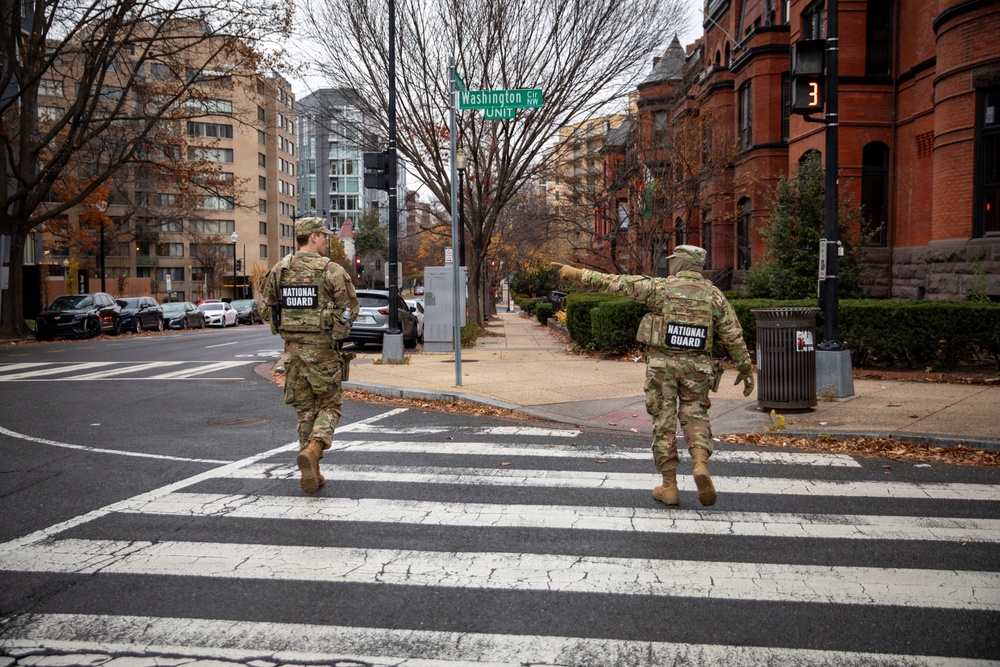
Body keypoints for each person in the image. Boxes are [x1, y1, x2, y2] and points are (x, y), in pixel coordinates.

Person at [552, 245, 753, 507]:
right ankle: (701, 464)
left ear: (681, 264)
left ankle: (669, 487)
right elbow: (733, 335)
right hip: (698, 368)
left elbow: (617, 283)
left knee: (664, 421)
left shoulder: (661, 288)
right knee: (696, 416)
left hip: (663, 367)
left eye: (673, 261)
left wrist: (576, 273)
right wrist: (745, 368)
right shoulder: (714, 296)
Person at [260, 217, 359, 495]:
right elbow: (351, 309)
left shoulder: (279, 271)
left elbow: (265, 310)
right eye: (324, 236)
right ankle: (314, 449)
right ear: (313, 236)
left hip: (292, 356)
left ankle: (313, 471)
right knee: (330, 406)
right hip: (324, 354)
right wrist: (337, 330)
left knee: (305, 413)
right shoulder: (331, 270)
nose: (327, 241)